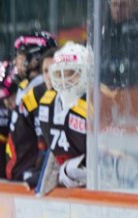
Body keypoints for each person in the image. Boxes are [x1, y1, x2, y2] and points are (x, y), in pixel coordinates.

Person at [6, 38, 59, 184]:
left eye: (21, 57)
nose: (16, 62)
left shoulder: (73, 97)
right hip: (33, 176)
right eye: (46, 71)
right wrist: (20, 173)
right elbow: (19, 140)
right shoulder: (30, 94)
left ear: (35, 60)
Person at [41, 42, 91, 188]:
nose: (64, 80)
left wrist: (71, 170)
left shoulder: (97, 103)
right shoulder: (47, 103)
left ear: (87, 72)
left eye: (71, 73)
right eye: (59, 73)